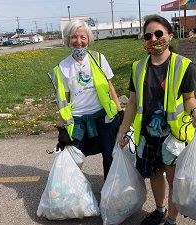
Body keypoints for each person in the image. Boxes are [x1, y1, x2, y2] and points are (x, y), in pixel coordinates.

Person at [117, 16, 196, 225]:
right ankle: (160, 210)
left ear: (169, 35)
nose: (154, 38)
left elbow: (189, 98)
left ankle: (171, 220)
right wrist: (123, 130)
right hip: (147, 134)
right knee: (155, 174)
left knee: (173, 179)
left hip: (172, 134)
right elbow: (131, 102)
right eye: (148, 35)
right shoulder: (137, 67)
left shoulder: (184, 66)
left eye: (159, 33)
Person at [49, 19, 123, 180]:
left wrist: (120, 111)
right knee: (75, 159)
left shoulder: (98, 59)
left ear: (89, 39)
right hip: (78, 120)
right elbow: (63, 100)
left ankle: (110, 194)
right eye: (74, 37)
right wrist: (62, 128)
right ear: (68, 40)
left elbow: (110, 87)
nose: (78, 42)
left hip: (103, 116)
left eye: (83, 37)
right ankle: (76, 195)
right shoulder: (62, 67)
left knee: (110, 156)